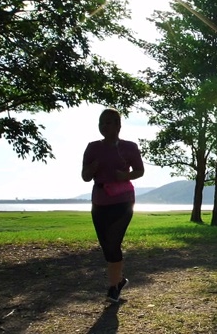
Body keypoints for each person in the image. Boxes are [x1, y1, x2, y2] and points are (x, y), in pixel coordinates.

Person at [81, 108, 144, 302]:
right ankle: (118, 281)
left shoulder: (130, 147)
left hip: (123, 201)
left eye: (109, 122)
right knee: (106, 245)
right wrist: (91, 169)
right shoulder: (92, 147)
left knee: (113, 242)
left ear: (118, 125)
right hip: (100, 200)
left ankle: (112, 288)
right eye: (101, 122)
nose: (104, 126)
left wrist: (126, 175)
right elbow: (84, 176)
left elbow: (140, 171)